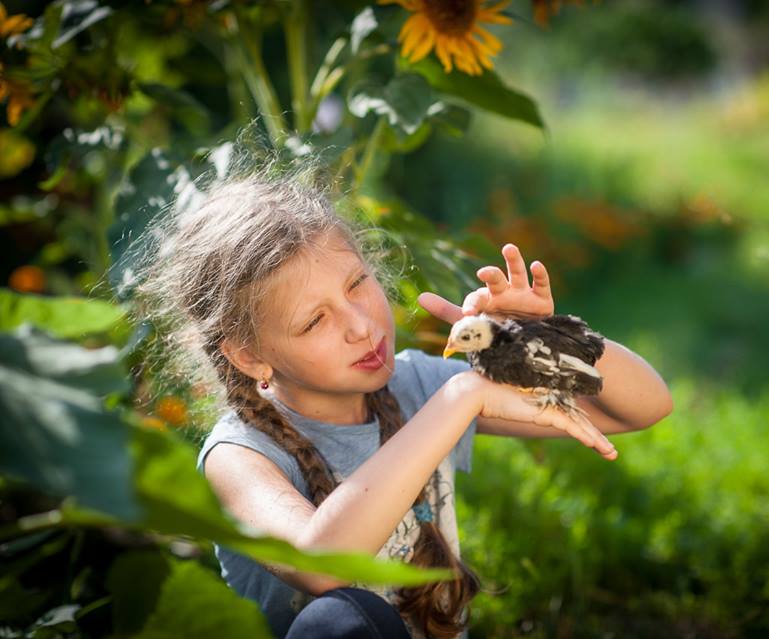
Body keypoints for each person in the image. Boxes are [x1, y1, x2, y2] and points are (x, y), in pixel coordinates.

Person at [132, 166, 673, 639]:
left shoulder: (414, 389)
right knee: (343, 620)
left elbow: (642, 406)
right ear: (249, 357)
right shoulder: (239, 456)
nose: (361, 325)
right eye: (315, 320)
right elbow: (321, 565)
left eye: (357, 285)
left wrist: (539, 339)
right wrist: (462, 395)